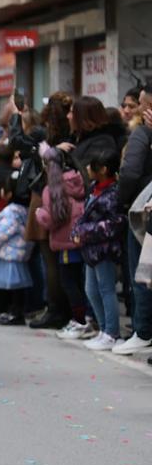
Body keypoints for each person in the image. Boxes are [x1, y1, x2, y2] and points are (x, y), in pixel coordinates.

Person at [36, 145, 92, 340]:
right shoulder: (78, 180)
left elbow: (52, 217)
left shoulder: (52, 188)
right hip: (82, 238)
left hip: (65, 240)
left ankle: (80, 321)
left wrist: (39, 214)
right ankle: (86, 318)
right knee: (81, 281)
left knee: (69, 282)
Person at [72, 149, 125, 351]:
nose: (87, 169)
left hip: (105, 250)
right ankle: (104, 329)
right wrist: (78, 231)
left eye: (91, 165)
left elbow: (114, 224)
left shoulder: (113, 194)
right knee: (91, 290)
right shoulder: (95, 188)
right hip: (90, 250)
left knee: (106, 290)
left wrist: (84, 232)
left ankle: (112, 332)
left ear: (102, 169)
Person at [115, 87, 152, 355]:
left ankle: (143, 330)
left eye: (139, 104)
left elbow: (129, 174)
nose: (135, 109)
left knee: (143, 273)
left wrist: (122, 200)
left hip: (143, 210)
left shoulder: (141, 133)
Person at [0, 172, 33, 326]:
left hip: (8, 254)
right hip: (20, 253)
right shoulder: (26, 210)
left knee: (7, 287)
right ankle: (16, 312)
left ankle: (12, 313)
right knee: (17, 288)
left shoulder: (11, 212)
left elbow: (2, 232)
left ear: (10, 193)